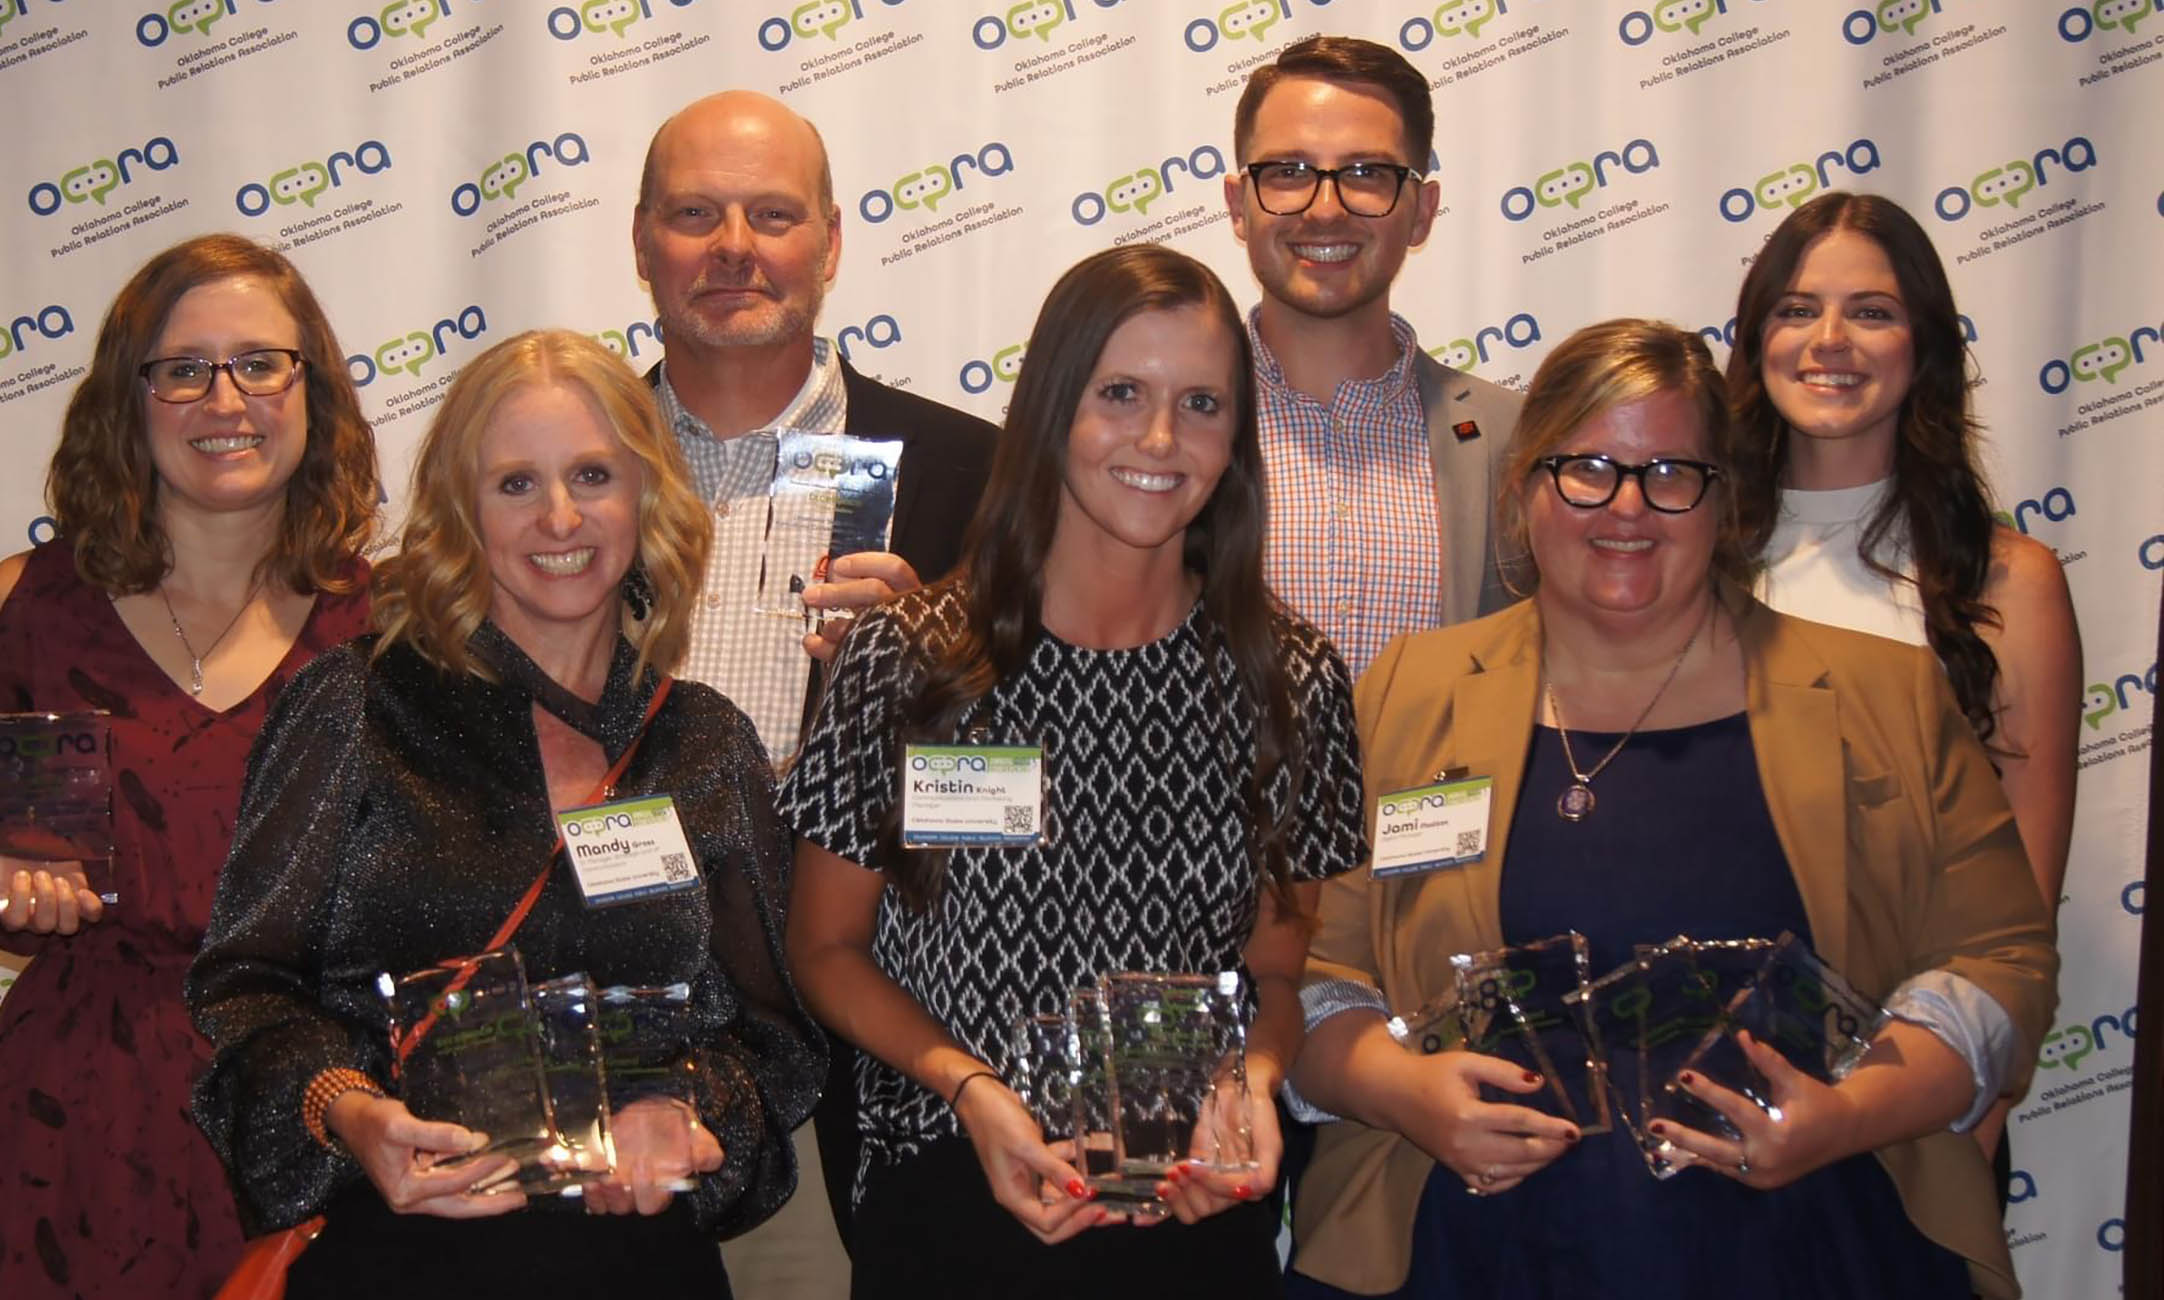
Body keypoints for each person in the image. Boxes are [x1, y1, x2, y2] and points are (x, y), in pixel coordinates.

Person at [1283, 319, 2058, 1299]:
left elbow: (2002, 962)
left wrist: (1850, 1113)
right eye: (1586, 467)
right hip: (1470, 1246)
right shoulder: (1409, 690)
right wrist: (1404, 1093)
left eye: (1669, 473)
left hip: (1809, 1240)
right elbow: (1313, 971)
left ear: (1724, 500)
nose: (1626, 507)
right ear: (1525, 488)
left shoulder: (1882, 693)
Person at [781, 244, 1366, 1298]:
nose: (1158, 438)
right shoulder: (908, 660)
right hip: (956, 1184)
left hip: (1189, 1199)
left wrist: (1251, 1081)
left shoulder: (1291, 678)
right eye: (1119, 394)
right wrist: (968, 1087)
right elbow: (823, 947)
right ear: (1051, 408)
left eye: (1200, 403)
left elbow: (1274, 971)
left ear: (1236, 436)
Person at [187, 329, 822, 1298]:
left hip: (635, 1263)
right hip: (401, 1254)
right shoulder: (358, 708)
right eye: (516, 483)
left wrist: (686, 1105)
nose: (559, 516)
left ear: (647, 495)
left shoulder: (703, 746)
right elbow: (245, 985)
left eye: (594, 475)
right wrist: (349, 1108)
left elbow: (774, 1032)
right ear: (460, 512)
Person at [0, 233, 379, 1299]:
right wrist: (1, 884)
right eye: (182, 369)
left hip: (309, 1103)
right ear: (129, 398)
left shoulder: (383, 628)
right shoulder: (32, 606)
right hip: (76, 1118)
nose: (227, 399)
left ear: (313, 392)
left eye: (261, 362)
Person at [632, 87, 999, 1282]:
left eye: (772, 214)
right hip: (619, 1042)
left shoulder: (972, 475)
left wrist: (931, 685)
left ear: (831, 243)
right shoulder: (557, 469)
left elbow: (1029, 798)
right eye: (695, 212)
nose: (734, 245)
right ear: (642, 242)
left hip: (886, 1047)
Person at [1728, 193, 2079, 1162]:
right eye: (1797, 309)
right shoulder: (1692, 559)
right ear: (1755, 338)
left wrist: (1974, 1116)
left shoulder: (2010, 583)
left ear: (1921, 344)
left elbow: (2025, 899)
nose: (1829, 340)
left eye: (1871, 312)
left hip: (1911, 1104)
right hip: (1712, 1086)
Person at [1224, 36, 1523, 676]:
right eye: (1288, 172)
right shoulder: (1152, 436)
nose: (1325, 208)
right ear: (1237, 207)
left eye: (1366, 174)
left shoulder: (1516, 439)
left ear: (1422, 213)